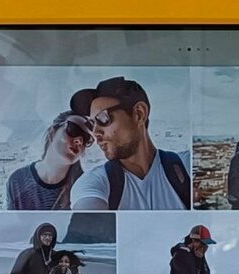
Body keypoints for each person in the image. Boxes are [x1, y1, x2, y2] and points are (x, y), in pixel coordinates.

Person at [68, 77, 190, 211]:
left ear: (139, 114)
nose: (96, 132)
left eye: (103, 118)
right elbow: (89, 219)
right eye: (92, 124)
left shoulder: (188, 166)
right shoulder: (94, 182)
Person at [5, 112, 94, 211]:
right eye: (73, 129)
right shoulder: (18, 180)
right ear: (52, 133)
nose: (79, 140)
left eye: (87, 139)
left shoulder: (84, 187)